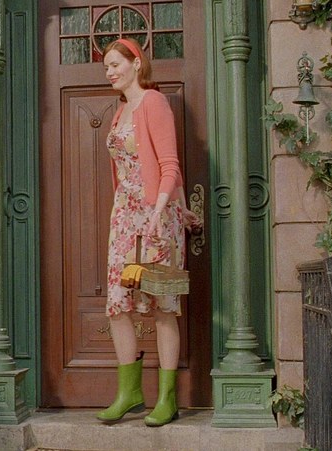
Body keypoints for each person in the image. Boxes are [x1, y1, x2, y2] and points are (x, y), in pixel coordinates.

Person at [96, 38, 200, 427]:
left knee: (162, 305)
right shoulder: (119, 111)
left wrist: (161, 212)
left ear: (136, 63)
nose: (109, 72)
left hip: (157, 217)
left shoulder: (154, 103)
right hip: (124, 218)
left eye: (115, 64)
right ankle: (130, 393)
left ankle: (167, 399)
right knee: (118, 303)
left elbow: (170, 165)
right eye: (106, 67)